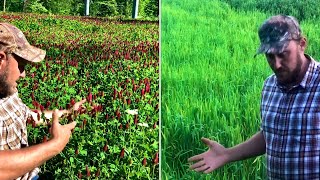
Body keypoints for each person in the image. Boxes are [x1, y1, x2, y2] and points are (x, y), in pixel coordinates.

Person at [188, 15, 320, 179]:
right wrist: (226, 154)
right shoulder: (270, 86)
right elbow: (269, 136)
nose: (276, 64)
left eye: (283, 54)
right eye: (270, 56)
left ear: (302, 44)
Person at [0, 23, 85, 180]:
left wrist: (68, 113)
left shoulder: (7, 91)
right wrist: (55, 145)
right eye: (21, 66)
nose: (23, 74)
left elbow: (28, 116)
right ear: (1, 59)